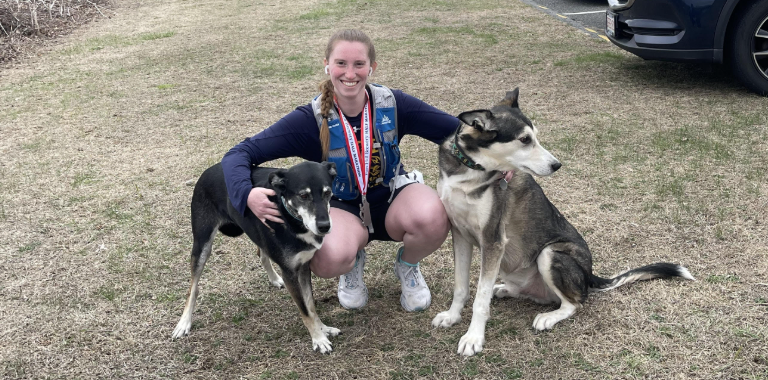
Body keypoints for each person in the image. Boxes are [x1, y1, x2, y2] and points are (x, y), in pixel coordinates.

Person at [221, 29, 459, 312]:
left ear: (372, 67)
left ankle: (407, 266)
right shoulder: (308, 119)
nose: (350, 73)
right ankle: (351, 262)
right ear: (327, 65)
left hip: (392, 199)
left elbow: (458, 131)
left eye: (359, 64)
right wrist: (245, 194)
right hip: (340, 208)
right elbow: (240, 153)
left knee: (434, 216)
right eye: (341, 63)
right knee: (329, 258)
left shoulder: (393, 104)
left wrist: (499, 163)